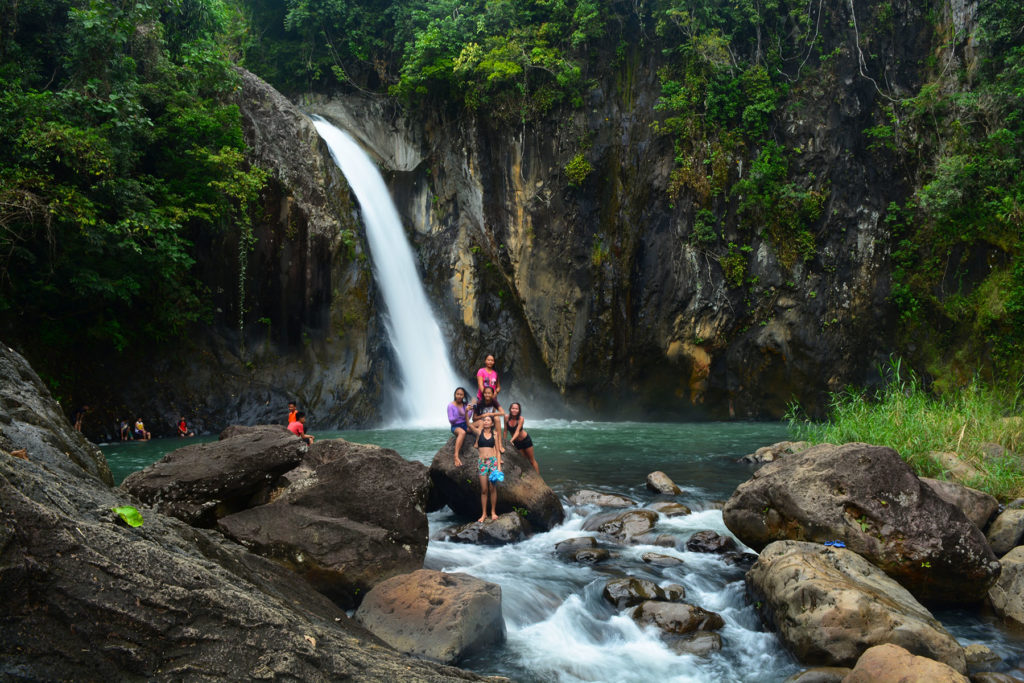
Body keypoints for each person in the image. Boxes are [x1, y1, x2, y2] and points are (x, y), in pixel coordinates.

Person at [468, 414, 503, 522]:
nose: (486, 421)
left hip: (492, 462)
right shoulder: (479, 432)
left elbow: (497, 451)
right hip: (482, 462)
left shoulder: (495, 434)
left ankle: (493, 512)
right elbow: (468, 424)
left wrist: (498, 466)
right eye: (485, 420)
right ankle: (484, 514)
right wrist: (467, 413)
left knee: (493, 488)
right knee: (484, 490)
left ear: (492, 423)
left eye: (488, 420)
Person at [505, 402, 538, 473]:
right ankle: (529, 474)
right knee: (524, 460)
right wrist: (504, 442)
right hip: (516, 442)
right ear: (510, 409)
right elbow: (505, 431)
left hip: (525, 440)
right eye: (513, 408)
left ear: (519, 410)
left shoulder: (521, 419)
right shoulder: (506, 417)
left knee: (532, 460)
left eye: (516, 409)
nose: (514, 410)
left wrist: (511, 440)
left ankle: (538, 477)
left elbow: (517, 431)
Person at [470, 386, 505, 453]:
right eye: (485, 393)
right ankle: (477, 441)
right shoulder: (479, 403)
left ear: (492, 394)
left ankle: (500, 444)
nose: (487, 395)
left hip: (489, 423)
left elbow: (503, 413)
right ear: (483, 394)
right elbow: (474, 418)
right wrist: (483, 415)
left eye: (489, 393)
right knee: (481, 422)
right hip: (480, 422)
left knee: (497, 418)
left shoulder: (494, 401)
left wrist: (492, 414)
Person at [447, 387, 471, 467]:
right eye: (458, 394)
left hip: (465, 424)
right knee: (462, 433)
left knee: (479, 425)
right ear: (455, 395)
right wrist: (461, 414)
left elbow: (468, 417)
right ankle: (456, 456)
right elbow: (451, 420)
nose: (459, 396)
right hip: (455, 426)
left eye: (461, 395)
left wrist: (469, 411)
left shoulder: (465, 405)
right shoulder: (451, 405)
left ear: (463, 396)